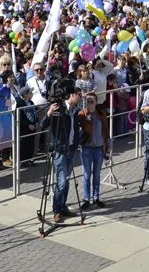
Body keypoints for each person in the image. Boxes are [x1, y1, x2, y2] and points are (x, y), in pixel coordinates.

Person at [42, 84, 82, 224]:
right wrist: (49, 113)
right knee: (61, 181)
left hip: (71, 148)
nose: (80, 97)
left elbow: (75, 129)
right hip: (59, 149)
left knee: (67, 180)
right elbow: (43, 125)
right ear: (72, 95)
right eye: (79, 94)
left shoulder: (75, 110)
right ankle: (56, 210)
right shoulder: (59, 108)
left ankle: (63, 206)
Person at [77, 92, 110, 209]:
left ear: (96, 103)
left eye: (92, 102)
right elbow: (80, 129)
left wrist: (108, 144)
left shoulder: (101, 114)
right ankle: (86, 198)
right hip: (86, 148)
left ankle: (96, 197)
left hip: (99, 148)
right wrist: (87, 117)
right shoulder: (82, 114)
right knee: (86, 173)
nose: (90, 104)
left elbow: (105, 129)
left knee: (96, 174)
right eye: (88, 102)